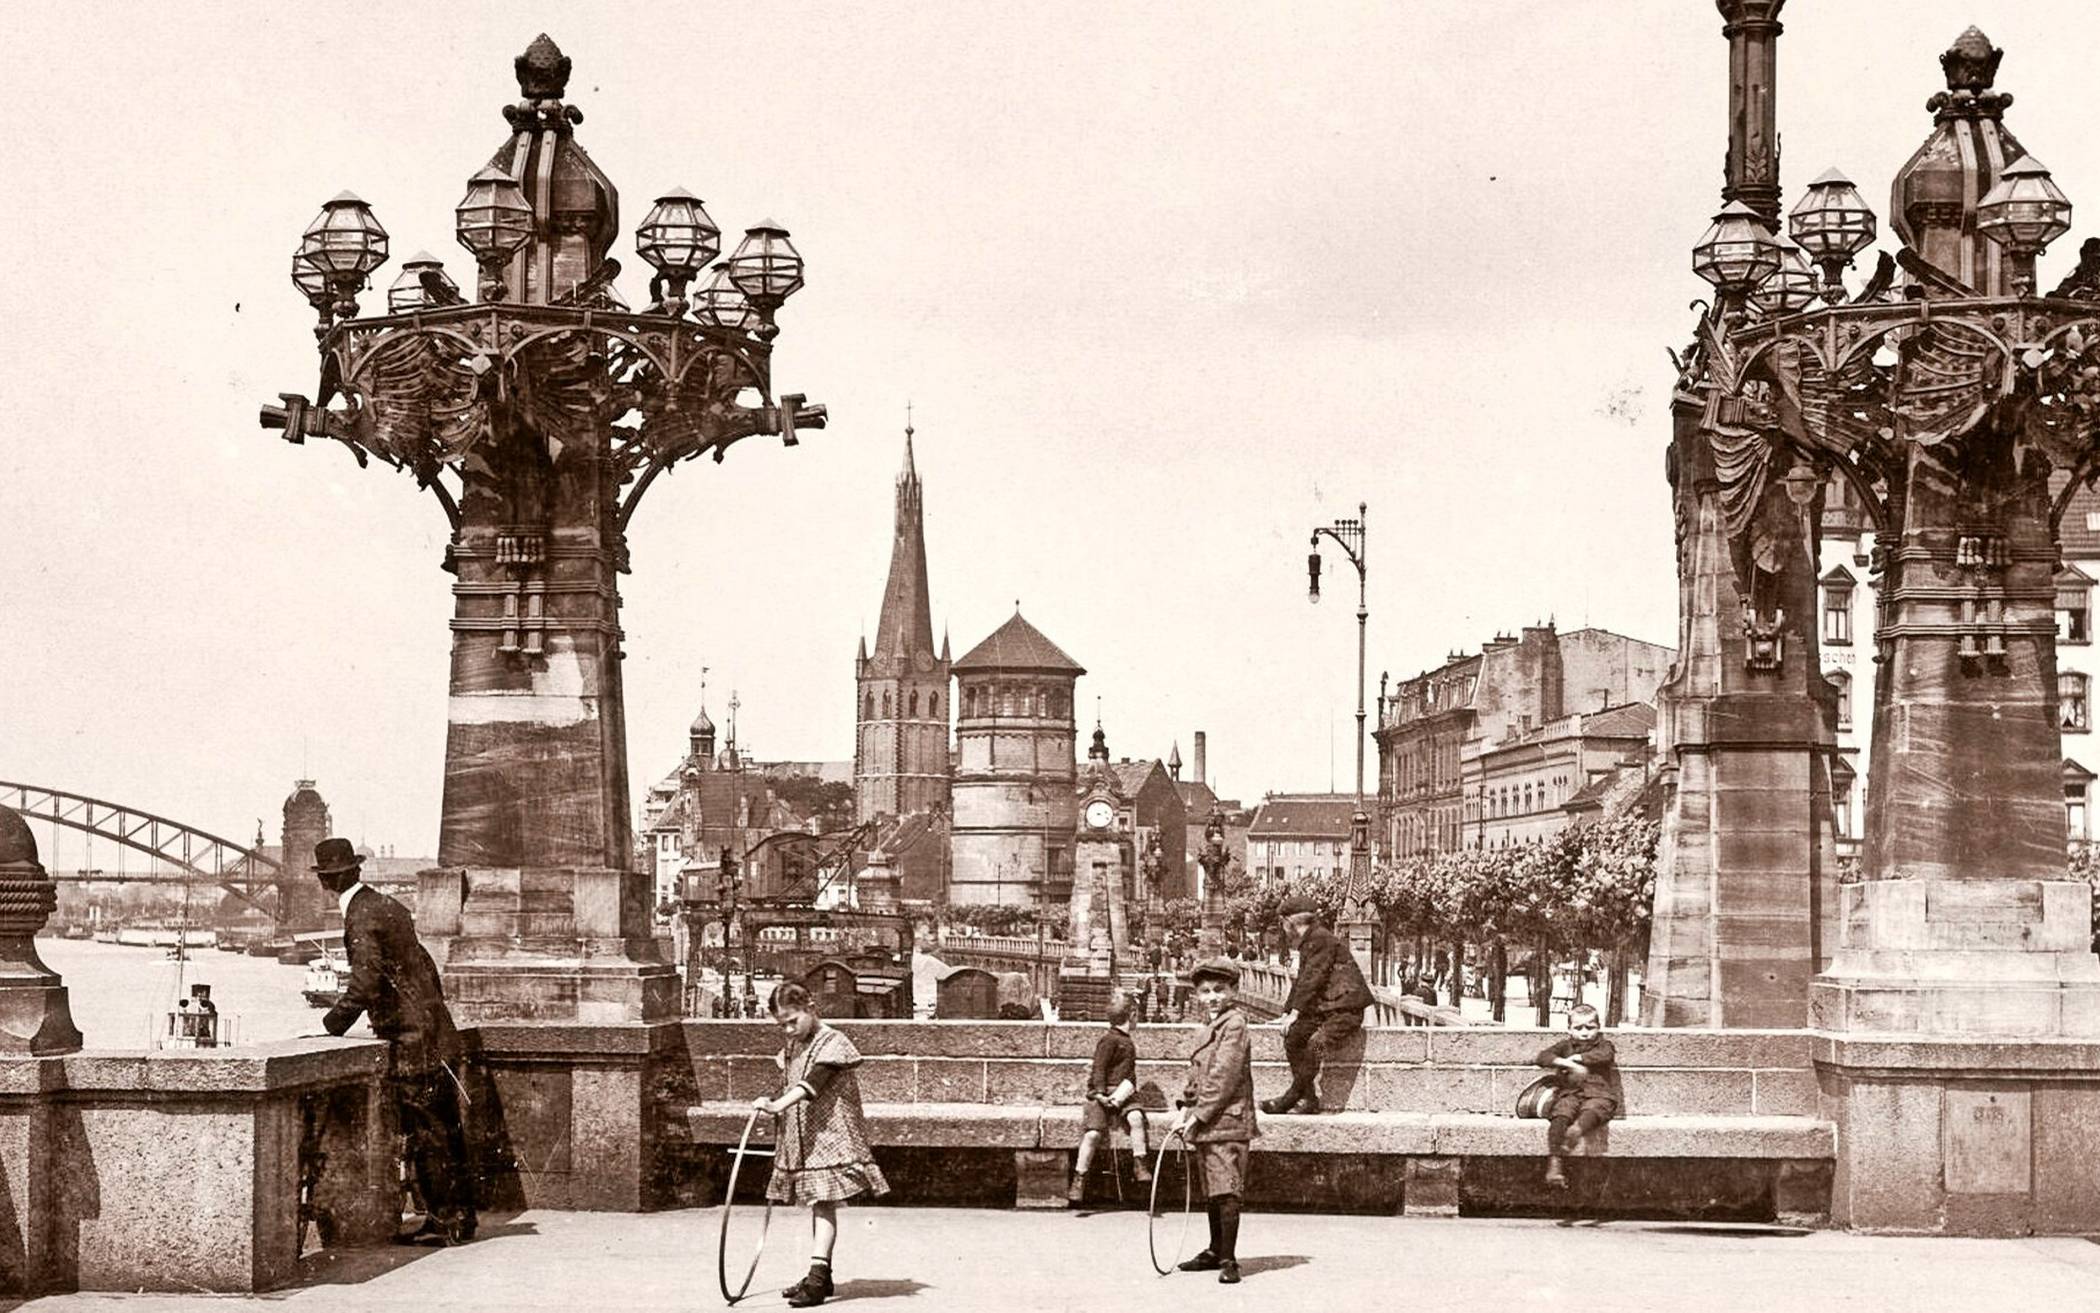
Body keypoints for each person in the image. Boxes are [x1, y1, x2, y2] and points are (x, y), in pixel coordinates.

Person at [313, 837, 477, 1246]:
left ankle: (446, 1221)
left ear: (326, 882)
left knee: (427, 1133)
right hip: (433, 1031)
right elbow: (425, 966)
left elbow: (365, 983)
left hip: (411, 1041)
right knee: (445, 1130)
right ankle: (458, 1217)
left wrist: (331, 1025)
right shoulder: (388, 906)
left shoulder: (360, 915)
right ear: (354, 871)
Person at [754, 982, 891, 1308]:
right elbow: (789, 1084)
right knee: (819, 1204)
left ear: (811, 1008)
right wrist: (771, 1100)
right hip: (804, 1138)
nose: (788, 1029)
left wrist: (777, 1105)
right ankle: (822, 1275)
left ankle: (817, 1280)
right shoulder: (794, 1046)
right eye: (782, 1024)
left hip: (831, 1138)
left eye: (793, 1020)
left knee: (824, 1204)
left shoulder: (834, 1043)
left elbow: (811, 1085)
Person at [1172, 957, 1256, 1284]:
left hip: (1229, 1120)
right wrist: (1184, 1108)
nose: (1212, 997)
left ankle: (1229, 1259)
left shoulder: (1235, 1025)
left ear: (1233, 991)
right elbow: (1197, 1077)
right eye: (1205, 992)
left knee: (1227, 1189)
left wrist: (1197, 1116)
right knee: (1211, 1188)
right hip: (1208, 1121)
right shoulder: (1208, 1028)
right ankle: (1213, 1249)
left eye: (1219, 990)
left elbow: (1224, 1076)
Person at [1258, 896, 1372, 1115]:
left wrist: (1296, 1012)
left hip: (1344, 1012)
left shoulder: (1321, 939)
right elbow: (1302, 981)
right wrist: (1288, 1014)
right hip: (1327, 1011)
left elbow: (1314, 978)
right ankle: (1308, 1099)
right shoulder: (1311, 940)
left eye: (1283, 924)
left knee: (1316, 1045)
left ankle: (1290, 1098)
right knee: (1294, 1037)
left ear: (1289, 922)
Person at [1069, 991, 1152, 1204]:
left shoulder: (1126, 1041)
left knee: (1136, 1118)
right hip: (1102, 1094)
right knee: (1093, 1134)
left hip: (1123, 1094)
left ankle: (1139, 1162)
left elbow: (1128, 1072)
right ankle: (1080, 1177)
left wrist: (1128, 1089)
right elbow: (1099, 1069)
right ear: (1133, 1015)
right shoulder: (1109, 1040)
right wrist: (1099, 1093)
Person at [1535, 1002, 1623, 1189]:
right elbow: (1542, 1057)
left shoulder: (1604, 1045)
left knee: (1594, 1110)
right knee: (1560, 1114)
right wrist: (1565, 1063)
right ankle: (1555, 1163)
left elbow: (1605, 1056)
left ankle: (1576, 1131)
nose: (1584, 1032)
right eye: (1578, 1028)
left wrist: (1580, 1059)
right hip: (1570, 1094)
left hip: (1599, 1094)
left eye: (1590, 1028)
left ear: (1598, 1028)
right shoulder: (1565, 1046)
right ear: (1570, 1029)